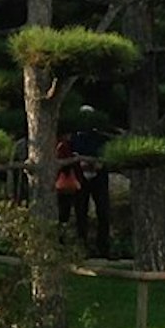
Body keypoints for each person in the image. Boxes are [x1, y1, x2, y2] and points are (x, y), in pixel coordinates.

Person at [68, 107, 113, 259]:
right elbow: (70, 155)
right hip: (80, 177)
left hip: (99, 177)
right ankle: (82, 248)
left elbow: (107, 155)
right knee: (81, 213)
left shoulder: (101, 137)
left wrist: (99, 164)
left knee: (103, 212)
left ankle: (103, 248)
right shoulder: (74, 138)